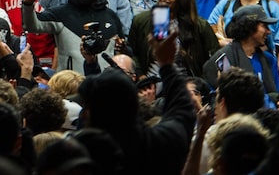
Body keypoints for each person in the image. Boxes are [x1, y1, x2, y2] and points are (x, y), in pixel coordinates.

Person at [77, 30, 196, 175]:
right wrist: (166, 65)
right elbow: (182, 112)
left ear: (87, 115)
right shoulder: (159, 145)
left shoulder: (76, 157)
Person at [23, 0, 125, 72]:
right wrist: (28, 4)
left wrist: (123, 48)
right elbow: (32, 25)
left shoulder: (111, 17)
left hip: (104, 86)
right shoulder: (62, 13)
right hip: (70, 86)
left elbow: (122, 50)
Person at [127, 0, 217, 78]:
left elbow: (214, 59)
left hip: (186, 84)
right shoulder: (141, 21)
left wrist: (200, 85)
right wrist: (140, 75)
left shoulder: (200, 26)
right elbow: (133, 52)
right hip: (151, 82)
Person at [202, 5, 279, 100]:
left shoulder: (270, 60)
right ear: (249, 27)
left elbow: (278, 95)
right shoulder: (223, 60)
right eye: (264, 26)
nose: (268, 31)